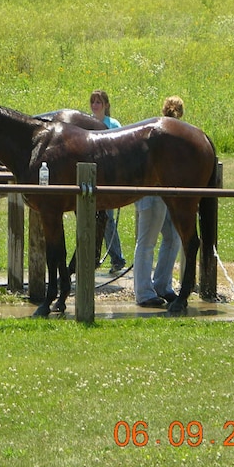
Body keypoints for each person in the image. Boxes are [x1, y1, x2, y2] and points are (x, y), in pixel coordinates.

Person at [133, 96, 185, 307]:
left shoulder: (168, 132)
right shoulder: (166, 133)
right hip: (152, 192)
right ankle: (144, 292)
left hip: (166, 195)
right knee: (147, 241)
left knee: (173, 237)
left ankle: (162, 284)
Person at [88, 90, 127, 274]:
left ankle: (117, 257)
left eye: (99, 102)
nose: (95, 105)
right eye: (93, 102)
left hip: (109, 178)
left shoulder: (113, 125)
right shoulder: (86, 123)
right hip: (90, 176)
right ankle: (92, 256)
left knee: (108, 220)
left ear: (106, 105)